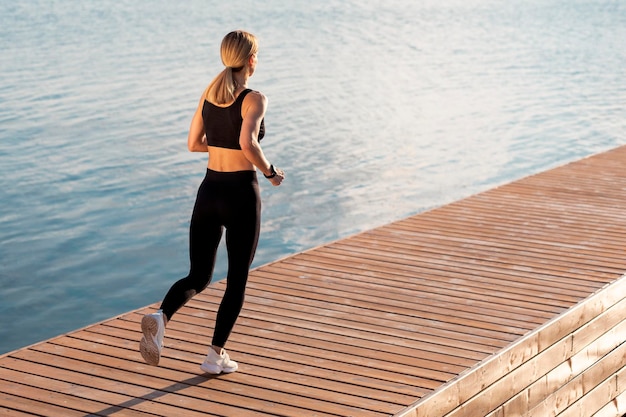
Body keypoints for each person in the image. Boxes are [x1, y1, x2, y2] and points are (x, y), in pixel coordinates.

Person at [139, 30, 285, 374]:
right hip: (240, 194)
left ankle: (161, 317)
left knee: (198, 274)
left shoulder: (210, 94)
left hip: (209, 192)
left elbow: (193, 143)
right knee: (236, 280)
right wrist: (270, 172)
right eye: (257, 55)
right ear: (251, 59)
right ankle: (214, 355)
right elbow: (248, 144)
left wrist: (221, 145)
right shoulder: (254, 98)